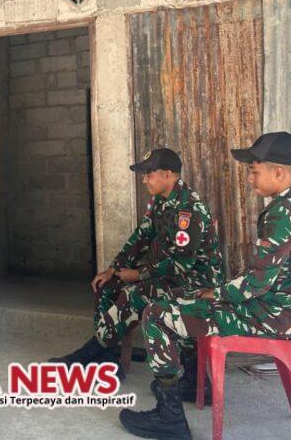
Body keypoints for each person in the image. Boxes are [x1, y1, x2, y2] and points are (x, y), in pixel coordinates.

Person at [119, 132, 291, 440]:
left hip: (268, 315)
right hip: (275, 308)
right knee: (184, 297)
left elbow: (256, 283)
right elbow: (260, 278)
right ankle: (192, 382)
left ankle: (169, 418)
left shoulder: (285, 213)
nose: (250, 179)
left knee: (157, 314)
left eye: (254, 171)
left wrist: (216, 292)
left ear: (279, 172)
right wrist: (212, 292)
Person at [50, 148, 224, 391]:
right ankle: (108, 360)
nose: (144, 180)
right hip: (169, 275)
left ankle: (84, 356)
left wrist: (140, 274)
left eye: (149, 174)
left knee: (135, 295)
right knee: (107, 287)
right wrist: (113, 269)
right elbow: (141, 237)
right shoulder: (161, 201)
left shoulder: (188, 209)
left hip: (195, 282)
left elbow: (183, 263)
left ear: (167, 175)